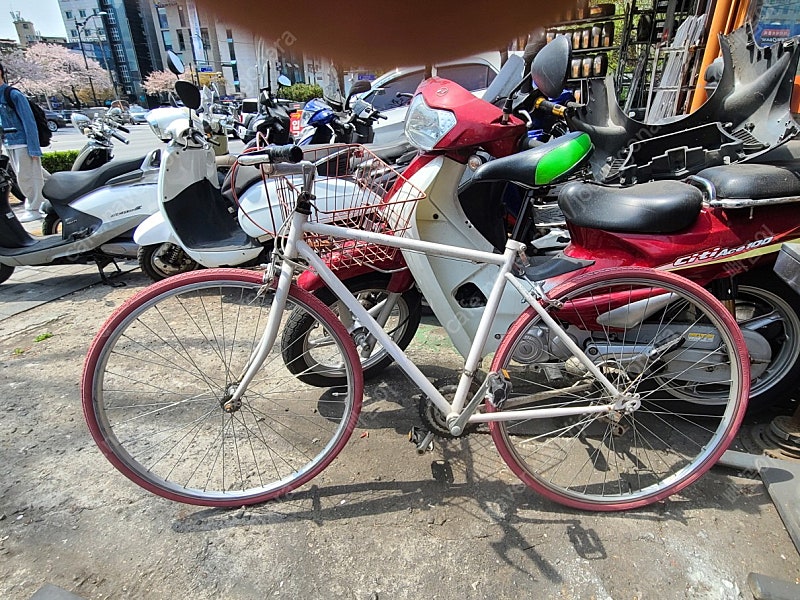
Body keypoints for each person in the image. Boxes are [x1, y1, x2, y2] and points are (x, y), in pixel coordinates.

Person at [0, 62, 45, 223]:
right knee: (37, 175)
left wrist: (34, 148)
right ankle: (60, 195)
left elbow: (29, 122)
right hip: (9, 142)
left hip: (22, 142)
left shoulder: (12, 94)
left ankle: (35, 208)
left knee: (27, 177)